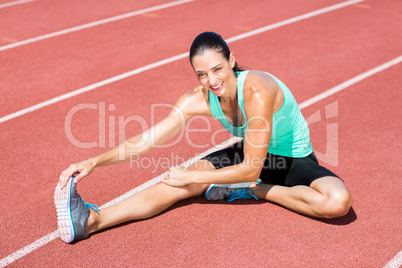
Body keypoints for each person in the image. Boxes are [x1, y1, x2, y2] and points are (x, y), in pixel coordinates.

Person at [55, 32, 353, 243]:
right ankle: (92, 221)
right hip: (248, 154)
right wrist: (95, 161)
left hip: (293, 160)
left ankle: (254, 191)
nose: (212, 81)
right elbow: (147, 141)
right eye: (201, 74)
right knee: (175, 183)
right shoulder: (196, 99)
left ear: (231, 60)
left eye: (217, 69)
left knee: (337, 203)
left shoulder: (257, 90)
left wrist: (237, 182)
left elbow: (251, 168)